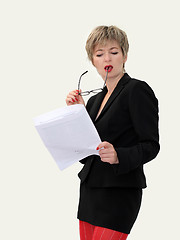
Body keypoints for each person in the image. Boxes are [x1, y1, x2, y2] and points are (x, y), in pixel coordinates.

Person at [66, 25, 160, 240]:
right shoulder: (94, 101)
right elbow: (86, 153)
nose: (107, 59)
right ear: (93, 60)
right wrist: (78, 114)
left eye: (114, 52)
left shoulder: (137, 90)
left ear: (124, 56)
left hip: (119, 192)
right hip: (90, 192)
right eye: (100, 54)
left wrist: (119, 155)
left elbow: (151, 145)